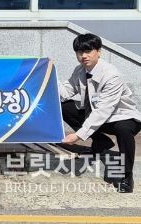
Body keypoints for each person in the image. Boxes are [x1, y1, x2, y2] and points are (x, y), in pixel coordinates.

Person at [60, 33, 141, 193]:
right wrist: (48, 75)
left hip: (121, 116)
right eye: (79, 52)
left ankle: (126, 176)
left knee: (124, 130)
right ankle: (101, 141)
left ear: (99, 52)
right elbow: (65, 92)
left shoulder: (111, 75)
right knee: (64, 107)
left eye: (88, 51)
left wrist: (78, 135)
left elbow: (103, 110)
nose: (83, 56)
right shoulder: (80, 70)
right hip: (98, 116)